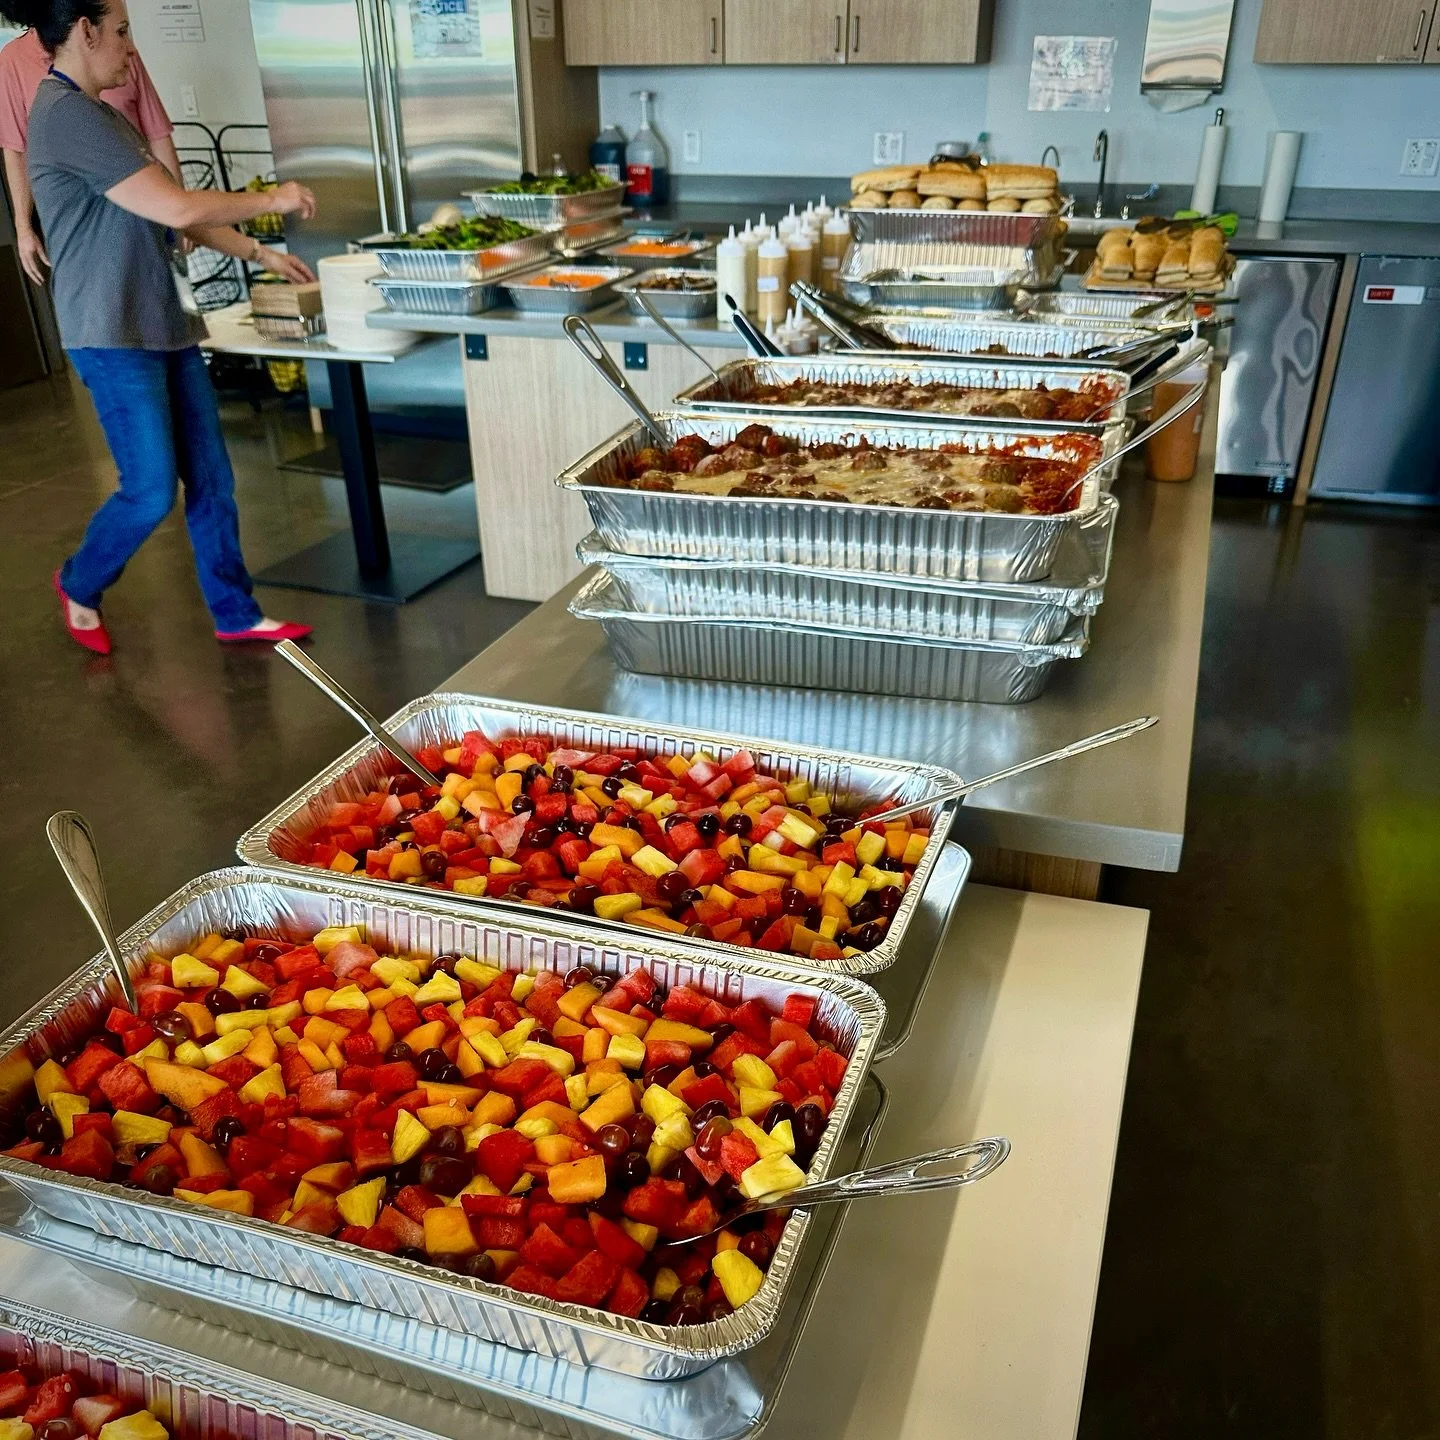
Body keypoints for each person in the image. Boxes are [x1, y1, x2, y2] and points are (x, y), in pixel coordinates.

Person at [0, 0, 319, 652]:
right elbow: (176, 205)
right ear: (85, 31)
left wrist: (258, 253)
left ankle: (235, 612)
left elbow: (173, 211)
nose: (131, 48)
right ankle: (78, 580)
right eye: (122, 32)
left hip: (162, 321)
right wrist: (273, 198)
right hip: (109, 332)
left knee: (212, 481)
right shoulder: (63, 116)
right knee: (149, 491)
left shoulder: (103, 116)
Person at [0, 20, 177, 284]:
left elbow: (157, 133)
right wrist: (23, 227)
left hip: (148, 215)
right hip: (84, 232)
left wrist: (178, 207)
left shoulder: (118, 49)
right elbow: (16, 149)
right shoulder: (16, 62)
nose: (128, 44)